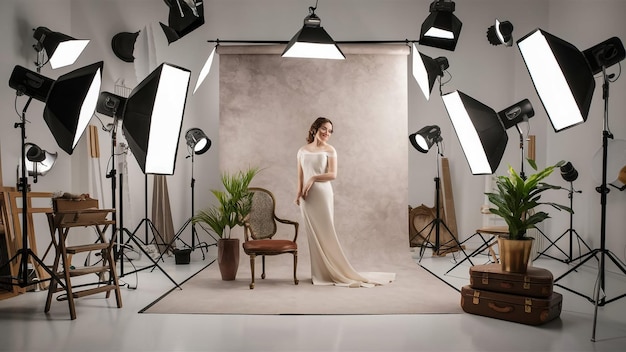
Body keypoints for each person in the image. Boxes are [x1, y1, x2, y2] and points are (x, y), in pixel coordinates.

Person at [295, 117, 395, 288]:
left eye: (330, 131)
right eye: (324, 129)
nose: (327, 133)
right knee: (313, 236)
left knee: (327, 233)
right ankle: (319, 273)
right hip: (307, 199)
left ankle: (336, 271)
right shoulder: (302, 151)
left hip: (323, 195)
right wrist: (298, 193)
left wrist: (313, 178)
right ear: (315, 129)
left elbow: (332, 174)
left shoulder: (330, 150)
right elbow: (300, 175)